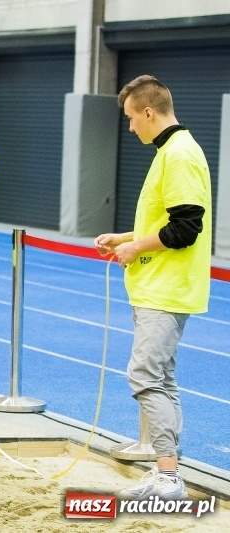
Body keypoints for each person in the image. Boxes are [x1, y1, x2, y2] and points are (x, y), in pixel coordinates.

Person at [94, 75, 212, 500]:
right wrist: (127, 238)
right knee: (161, 377)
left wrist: (136, 247)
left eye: (131, 119)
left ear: (148, 112)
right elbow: (167, 220)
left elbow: (186, 227)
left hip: (167, 288)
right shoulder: (171, 152)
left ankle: (166, 477)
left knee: (145, 377)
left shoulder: (179, 154)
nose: (130, 128)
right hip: (159, 285)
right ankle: (167, 471)